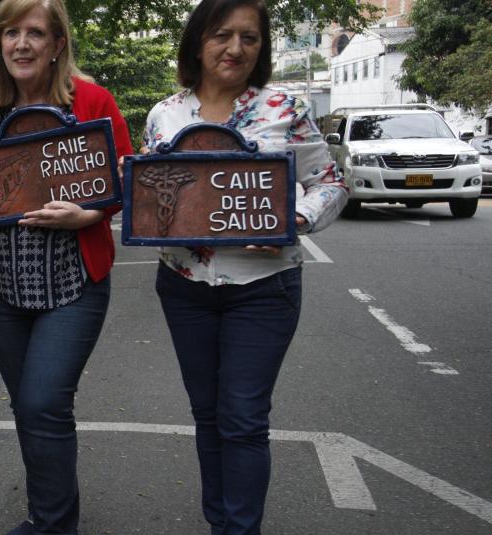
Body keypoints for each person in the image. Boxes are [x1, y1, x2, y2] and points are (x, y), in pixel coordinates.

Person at [142, 0, 349, 533]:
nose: (235, 48)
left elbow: (330, 183)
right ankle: (221, 524)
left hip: (264, 287)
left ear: (262, 48)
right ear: (197, 42)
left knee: (243, 419)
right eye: (222, 35)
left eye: (249, 38)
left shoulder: (285, 109)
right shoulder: (165, 115)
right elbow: (151, 196)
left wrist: (295, 219)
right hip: (184, 286)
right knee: (207, 416)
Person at [0, 0, 133, 533]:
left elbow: (129, 178)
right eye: (10, 33)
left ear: (58, 44)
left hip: (74, 282)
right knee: (28, 408)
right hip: (5, 288)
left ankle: (54, 525)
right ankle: (49, 514)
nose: (21, 44)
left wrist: (89, 214)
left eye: (35, 32)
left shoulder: (93, 100)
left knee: (43, 403)